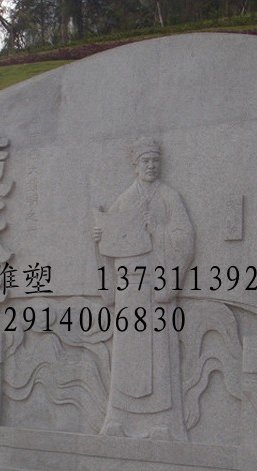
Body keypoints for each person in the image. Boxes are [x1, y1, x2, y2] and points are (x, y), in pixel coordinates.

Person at [93, 137, 194, 440]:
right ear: (135, 166)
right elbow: (111, 245)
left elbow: (185, 240)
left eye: (155, 161)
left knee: (160, 357)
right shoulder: (124, 201)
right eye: (145, 161)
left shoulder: (169, 197)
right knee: (125, 355)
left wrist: (159, 231)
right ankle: (118, 419)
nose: (151, 166)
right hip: (129, 291)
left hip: (156, 285)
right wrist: (99, 241)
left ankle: (162, 422)